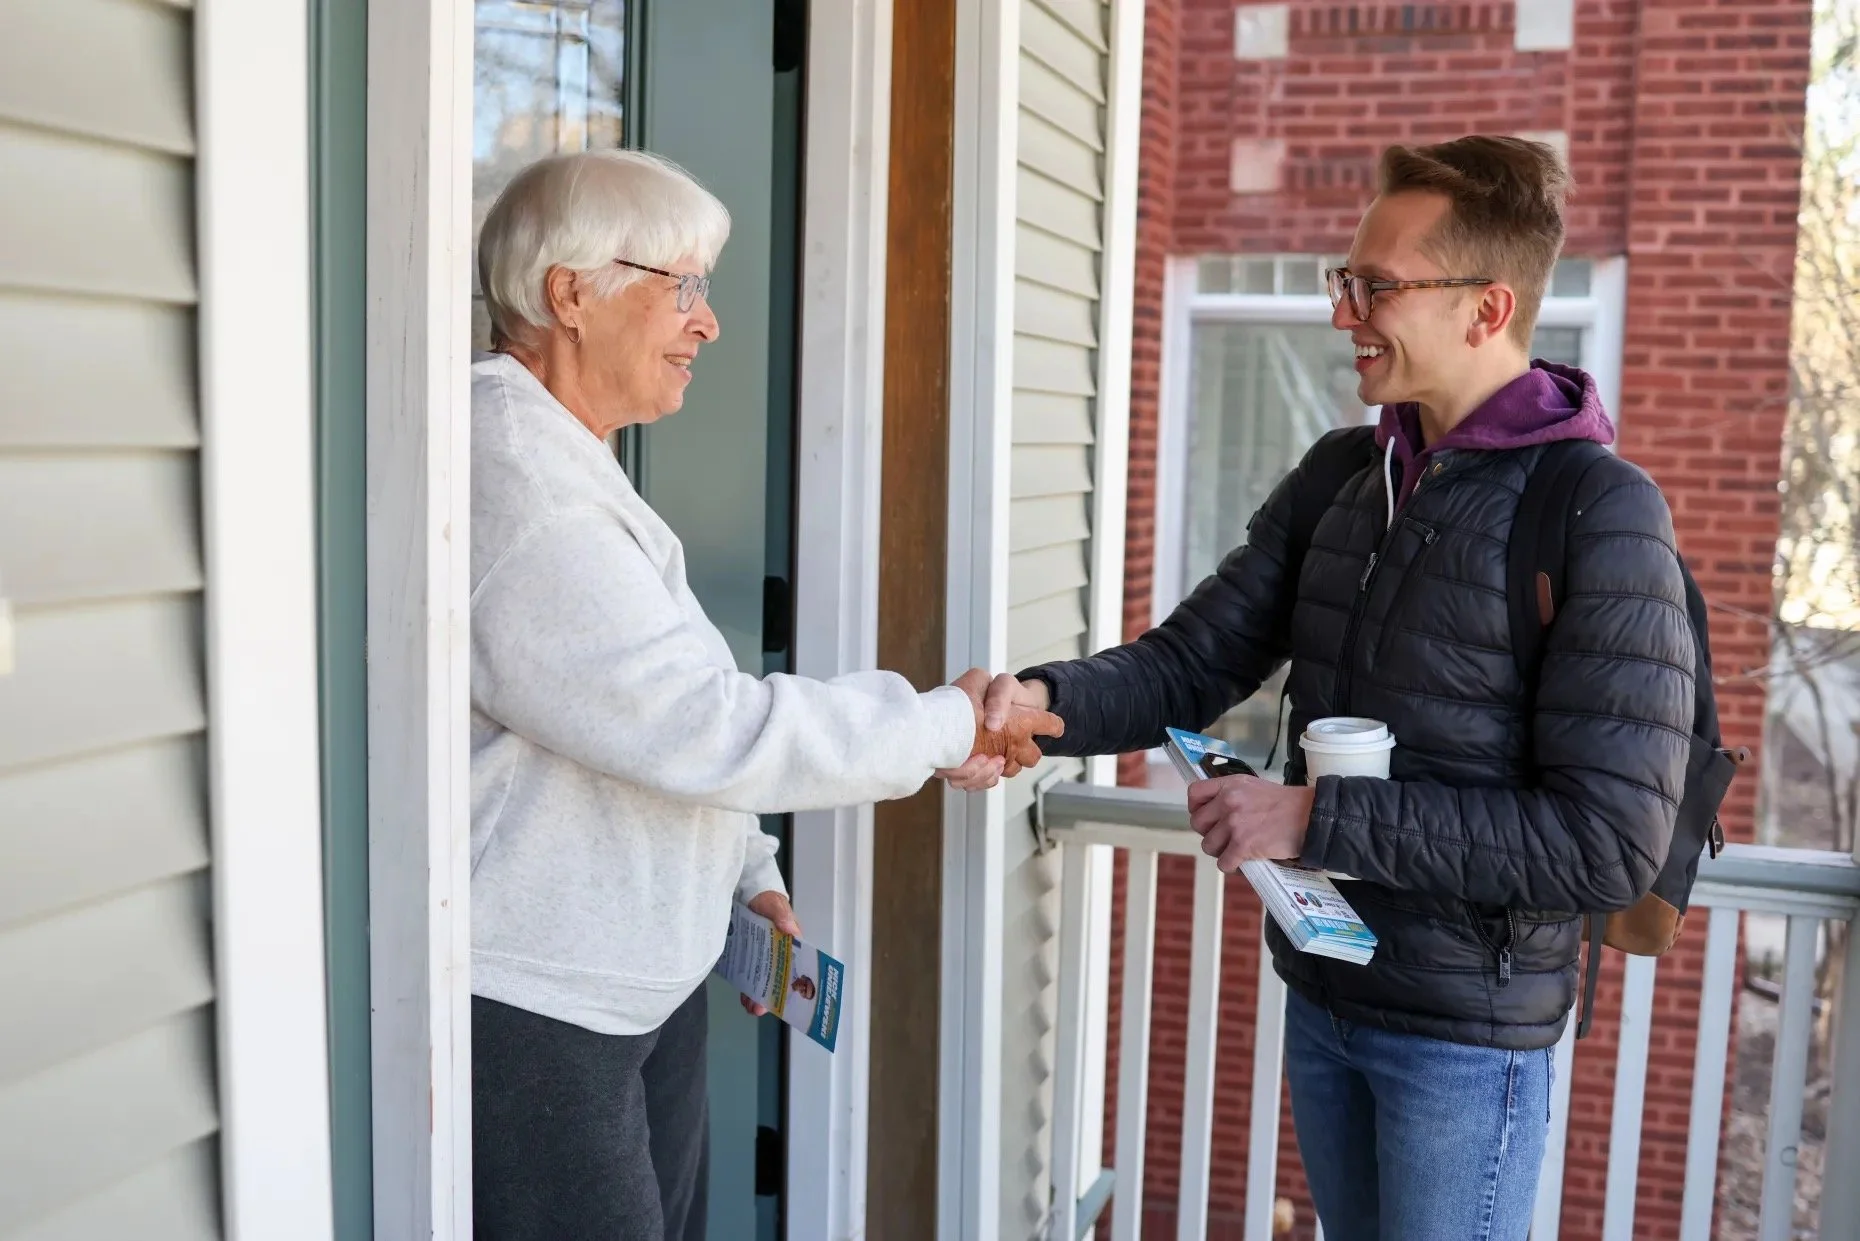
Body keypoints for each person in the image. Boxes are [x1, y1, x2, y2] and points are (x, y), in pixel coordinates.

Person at [976, 136, 1693, 1240]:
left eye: (1377, 286)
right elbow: (1191, 659)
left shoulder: (1601, 511)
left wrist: (1313, 814)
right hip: (1329, 989)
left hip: (1468, 1040)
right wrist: (1037, 699)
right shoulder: (1341, 478)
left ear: (1486, 307)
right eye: (1345, 280)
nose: (1343, 310)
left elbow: (1604, 840)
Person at [467, 149, 1061, 1241]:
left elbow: (662, 700)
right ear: (569, 293)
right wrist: (940, 723)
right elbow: (702, 724)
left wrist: (747, 875)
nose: (709, 322)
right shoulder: (514, 474)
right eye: (682, 285)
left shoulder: (570, 460)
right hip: (543, 1011)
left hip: (636, 984)